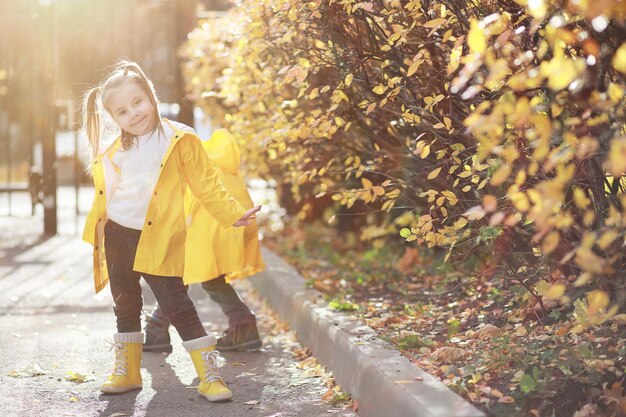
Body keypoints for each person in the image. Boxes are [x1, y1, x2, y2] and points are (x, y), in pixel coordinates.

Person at [81, 60, 261, 402]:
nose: (133, 114)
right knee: (125, 304)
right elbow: (109, 194)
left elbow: (207, 185)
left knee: (178, 305)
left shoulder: (178, 139)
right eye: (122, 111)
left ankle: (209, 374)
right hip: (117, 235)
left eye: (137, 102)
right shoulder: (114, 148)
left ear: (150, 94)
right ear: (114, 118)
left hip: (158, 238)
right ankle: (128, 372)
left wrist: (231, 213)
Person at [144, 128, 265, 353]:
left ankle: (156, 330)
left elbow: (186, 202)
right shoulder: (221, 164)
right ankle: (243, 325)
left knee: (177, 277)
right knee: (209, 279)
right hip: (227, 228)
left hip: (208, 229)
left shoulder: (196, 162)